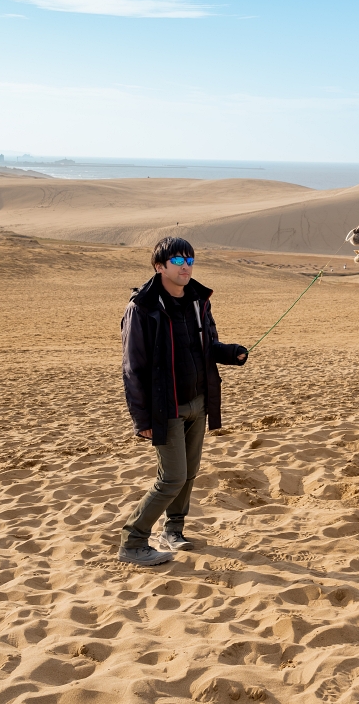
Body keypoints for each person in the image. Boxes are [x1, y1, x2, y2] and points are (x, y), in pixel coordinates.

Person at [118, 237, 248, 566]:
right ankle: (133, 541)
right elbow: (133, 368)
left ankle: (172, 531)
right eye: (177, 261)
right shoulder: (143, 308)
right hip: (167, 407)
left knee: (189, 473)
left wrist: (232, 353)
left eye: (189, 259)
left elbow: (208, 346)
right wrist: (142, 420)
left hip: (199, 402)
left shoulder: (198, 302)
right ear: (159, 266)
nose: (185, 265)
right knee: (172, 477)